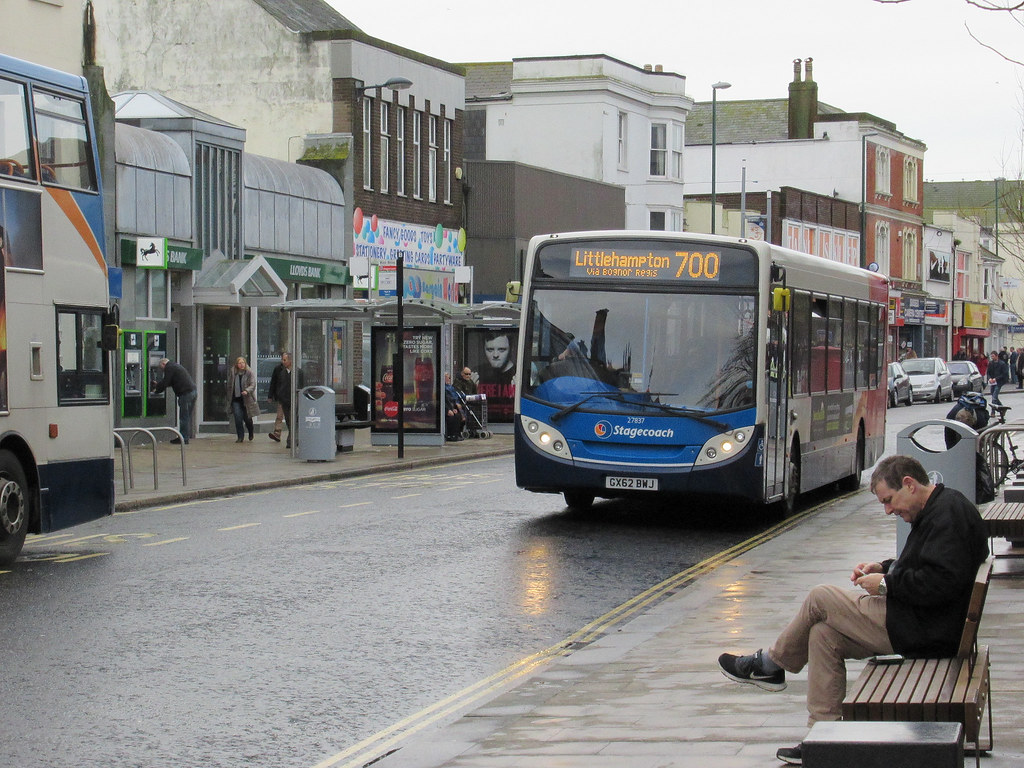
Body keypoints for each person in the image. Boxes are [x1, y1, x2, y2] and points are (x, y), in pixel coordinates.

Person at [717, 454, 988, 766]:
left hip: (926, 628)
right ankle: (822, 736)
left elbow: (940, 583)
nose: (889, 511)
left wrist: (886, 584)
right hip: (924, 621)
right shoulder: (943, 507)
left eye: (889, 500)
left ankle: (771, 663)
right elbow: (929, 566)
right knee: (822, 634)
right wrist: (885, 566)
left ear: (909, 485)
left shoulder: (947, 516)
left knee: (820, 598)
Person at [151, 358, 197, 444]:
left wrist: (156, 391)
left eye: (161, 368)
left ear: (163, 364)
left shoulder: (169, 367)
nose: (162, 370)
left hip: (186, 394)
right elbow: (171, 382)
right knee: (187, 416)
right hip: (192, 392)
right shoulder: (175, 366)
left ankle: (183, 438)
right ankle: (185, 437)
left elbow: (166, 381)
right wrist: (159, 385)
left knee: (184, 417)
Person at [225, 356, 258, 443]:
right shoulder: (233, 372)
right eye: (239, 363)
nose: (241, 365)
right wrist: (229, 397)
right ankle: (240, 436)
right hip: (236, 399)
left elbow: (253, 384)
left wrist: (247, 391)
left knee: (247, 419)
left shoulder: (249, 372)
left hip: (246, 399)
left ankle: (251, 431)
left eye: (243, 362)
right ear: (237, 364)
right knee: (238, 418)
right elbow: (229, 385)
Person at [267, 352, 296, 448]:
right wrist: (271, 395)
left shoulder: (297, 371)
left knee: (292, 419)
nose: (282, 362)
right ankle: (277, 433)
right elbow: (274, 383)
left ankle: (291, 439)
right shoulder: (279, 370)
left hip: (293, 399)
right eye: (282, 359)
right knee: (281, 416)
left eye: (285, 360)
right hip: (282, 399)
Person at [443, 372, 466, 440]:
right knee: (455, 416)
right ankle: (452, 435)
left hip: (452, 405)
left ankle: (457, 434)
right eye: (447, 378)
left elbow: (453, 398)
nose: (449, 379)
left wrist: (452, 408)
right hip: (445, 408)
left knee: (460, 415)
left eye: (449, 378)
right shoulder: (443, 388)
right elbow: (445, 400)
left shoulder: (451, 387)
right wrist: (449, 409)